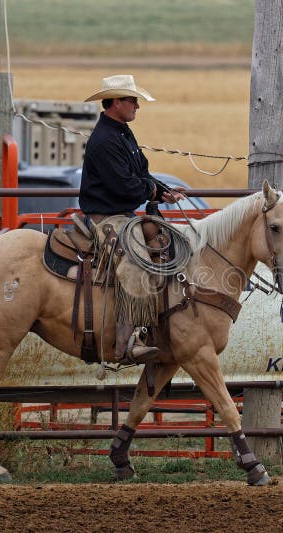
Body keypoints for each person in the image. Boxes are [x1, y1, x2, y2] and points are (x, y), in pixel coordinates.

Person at [81, 74, 185, 361]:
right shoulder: (104, 141)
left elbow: (139, 175)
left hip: (121, 214)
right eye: (132, 100)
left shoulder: (120, 133)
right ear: (116, 102)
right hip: (106, 218)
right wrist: (151, 189)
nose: (137, 105)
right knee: (136, 262)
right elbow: (125, 186)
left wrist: (161, 191)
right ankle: (128, 342)